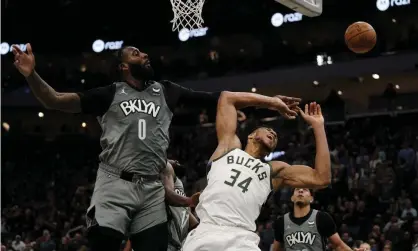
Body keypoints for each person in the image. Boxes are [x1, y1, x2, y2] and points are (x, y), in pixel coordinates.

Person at [11, 44, 222, 251]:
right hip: (115, 182)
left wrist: (245, 102)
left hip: (152, 187)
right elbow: (54, 99)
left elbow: (212, 99)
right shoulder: (109, 94)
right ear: (123, 67)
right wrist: (31, 74)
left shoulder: (166, 90)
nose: (145, 54)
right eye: (136, 53)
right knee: (103, 243)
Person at [181, 90, 332, 251]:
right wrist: (272, 103)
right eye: (268, 129)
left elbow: (321, 178)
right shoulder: (228, 147)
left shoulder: (273, 170)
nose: (273, 133)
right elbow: (227, 98)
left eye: (275, 135)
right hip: (207, 231)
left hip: (242, 239)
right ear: (251, 135)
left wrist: (318, 126)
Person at [273, 188, 356, 251]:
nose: (300, 191)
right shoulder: (281, 222)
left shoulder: (322, 217)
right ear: (292, 198)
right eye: (297, 189)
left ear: (311, 199)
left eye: (305, 190)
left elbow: (339, 245)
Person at [161, 160, 200, 251]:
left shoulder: (177, 184)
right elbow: (170, 196)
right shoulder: (163, 167)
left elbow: (184, 211)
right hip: (166, 241)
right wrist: (190, 201)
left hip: (180, 242)